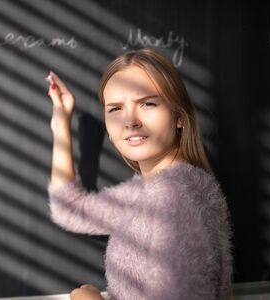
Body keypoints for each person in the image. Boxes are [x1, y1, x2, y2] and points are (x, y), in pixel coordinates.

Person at [45, 49, 233, 300]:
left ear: (179, 117)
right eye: (115, 109)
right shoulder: (149, 190)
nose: (130, 121)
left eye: (147, 103)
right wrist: (61, 124)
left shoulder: (174, 197)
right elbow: (69, 209)